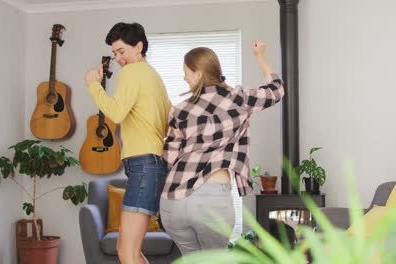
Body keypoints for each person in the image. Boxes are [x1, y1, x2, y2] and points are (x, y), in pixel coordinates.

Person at [160, 40, 284, 255]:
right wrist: (260, 57)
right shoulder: (240, 98)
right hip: (212, 199)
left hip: (174, 200)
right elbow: (276, 90)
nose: (184, 77)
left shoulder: (179, 110)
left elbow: (169, 158)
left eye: (186, 72)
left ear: (198, 74)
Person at [84, 22, 171, 264]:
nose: (118, 58)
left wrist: (94, 86)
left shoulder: (132, 72)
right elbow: (167, 124)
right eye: (115, 53)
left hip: (144, 166)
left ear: (138, 46)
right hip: (150, 165)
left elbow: (116, 114)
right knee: (128, 249)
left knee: (127, 251)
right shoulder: (154, 77)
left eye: (121, 51)